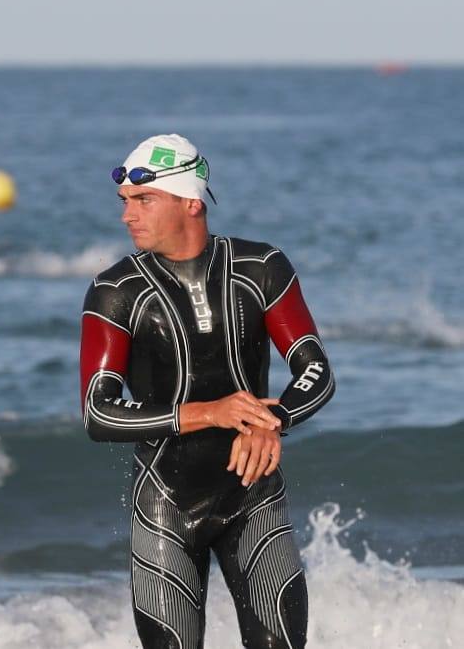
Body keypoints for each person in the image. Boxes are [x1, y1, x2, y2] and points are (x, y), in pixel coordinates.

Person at [79, 134, 334, 649]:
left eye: (144, 200)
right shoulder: (115, 292)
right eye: (125, 202)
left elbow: (316, 371)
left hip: (254, 496)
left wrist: (274, 419)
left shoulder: (261, 269)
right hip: (165, 506)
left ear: (191, 201)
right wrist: (210, 413)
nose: (128, 215)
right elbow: (97, 412)